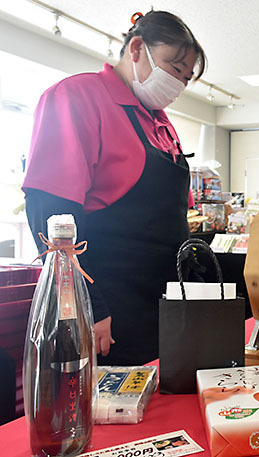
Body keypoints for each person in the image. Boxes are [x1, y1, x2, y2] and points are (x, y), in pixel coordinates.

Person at [22, 11, 207, 366]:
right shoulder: (77, 96)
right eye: (174, 67)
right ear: (137, 48)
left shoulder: (160, 122)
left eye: (185, 77)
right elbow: (51, 214)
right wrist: (85, 304)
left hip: (162, 301)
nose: (178, 84)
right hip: (110, 302)